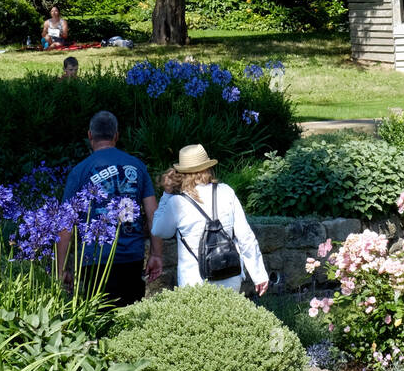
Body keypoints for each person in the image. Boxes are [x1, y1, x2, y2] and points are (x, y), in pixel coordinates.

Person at [56, 110, 162, 305]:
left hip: (94, 258)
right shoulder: (137, 167)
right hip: (132, 256)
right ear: (116, 136)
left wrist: (61, 268)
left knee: (100, 320)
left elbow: (65, 224)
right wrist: (156, 254)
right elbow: (153, 213)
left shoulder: (80, 171)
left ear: (90, 136)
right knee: (131, 318)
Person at [150, 143, 268, 295]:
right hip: (230, 275)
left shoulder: (177, 202)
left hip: (194, 280)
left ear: (182, 173)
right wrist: (259, 276)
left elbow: (159, 231)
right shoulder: (226, 192)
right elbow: (245, 237)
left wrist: (166, 194)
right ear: (208, 167)